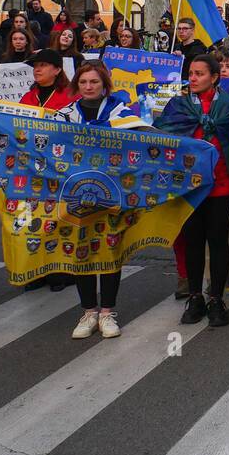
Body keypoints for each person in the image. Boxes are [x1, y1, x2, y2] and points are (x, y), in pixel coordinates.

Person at [54, 61, 149, 339]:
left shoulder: (122, 112)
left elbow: (141, 142)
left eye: (94, 82)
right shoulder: (64, 115)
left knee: (110, 249)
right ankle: (88, 312)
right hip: (75, 194)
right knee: (81, 250)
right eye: (83, 82)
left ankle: (107, 312)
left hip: (112, 192)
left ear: (104, 84)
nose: (88, 87)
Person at [157, 54, 229, 327]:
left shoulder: (228, 107)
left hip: (221, 183)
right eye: (191, 73)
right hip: (188, 186)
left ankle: (216, 298)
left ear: (214, 77)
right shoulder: (177, 105)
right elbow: (164, 134)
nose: (192, 78)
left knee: (217, 241)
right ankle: (195, 297)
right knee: (192, 241)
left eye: (199, 74)